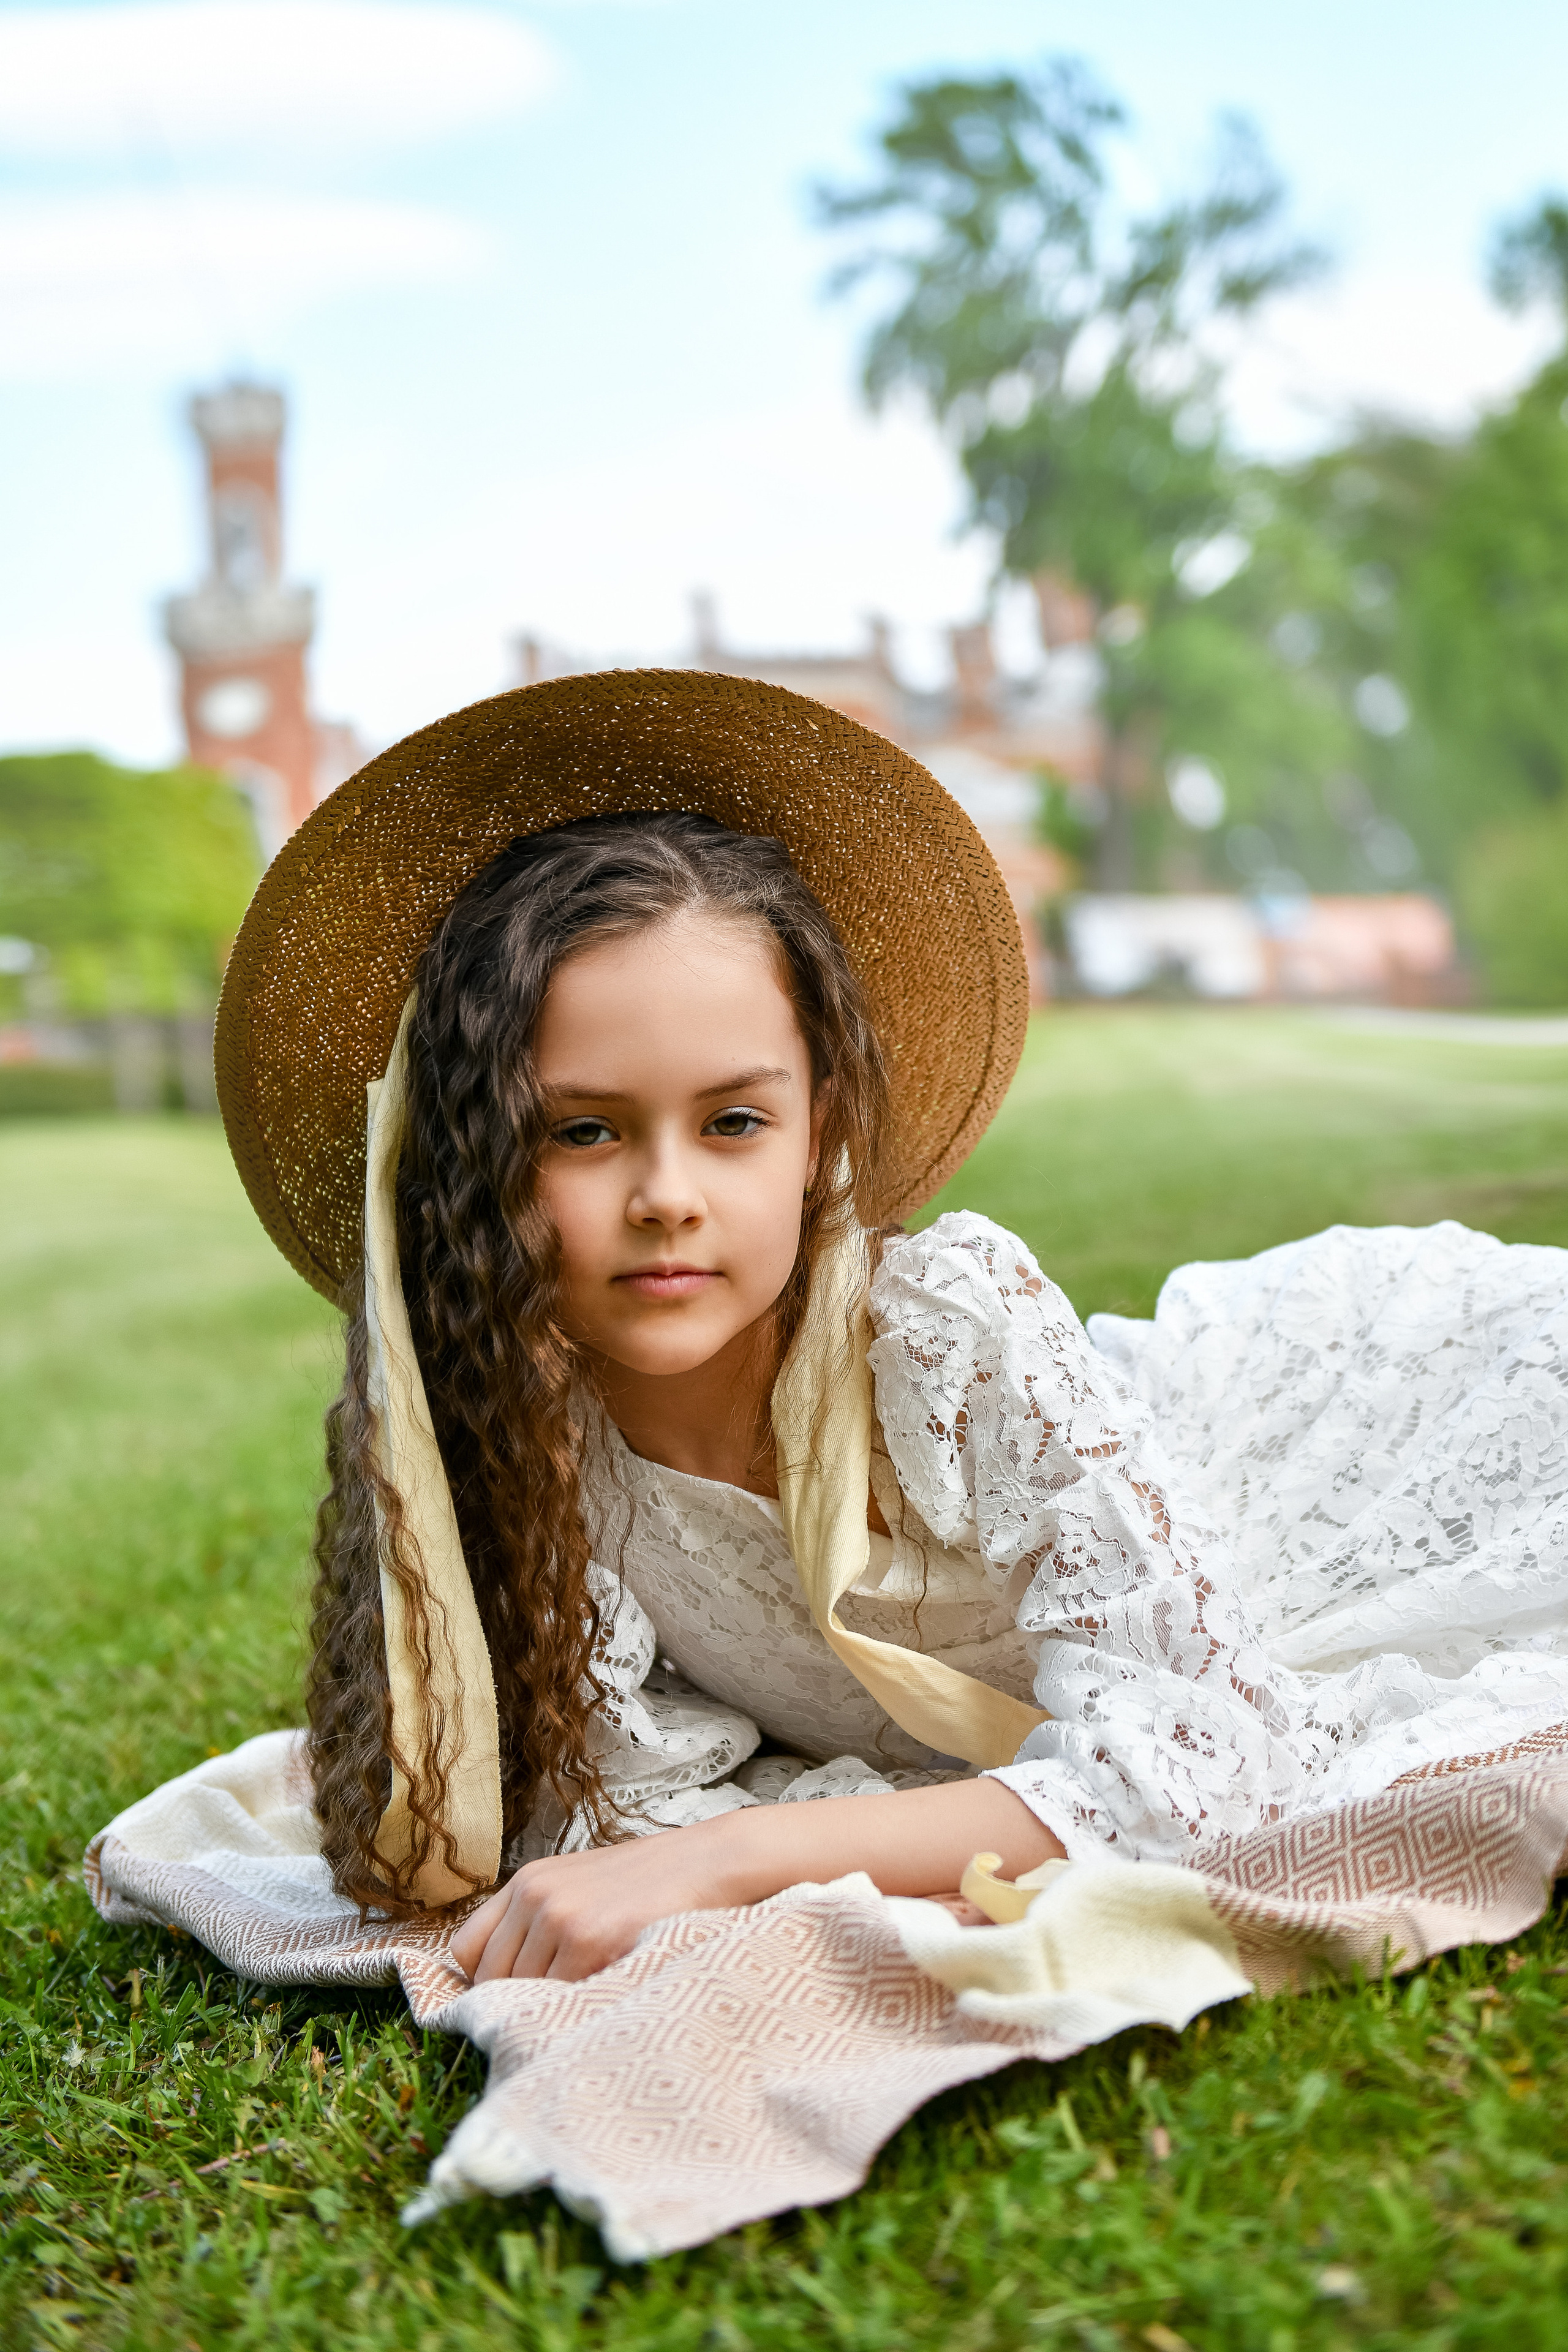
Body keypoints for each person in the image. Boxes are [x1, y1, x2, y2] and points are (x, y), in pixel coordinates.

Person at [214, 671, 1568, 1991]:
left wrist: (742, 1858)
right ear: (474, 1164)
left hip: (1338, 1432)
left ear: (820, 1134)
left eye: (733, 1121)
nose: (667, 1198)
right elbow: (628, 1809)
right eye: (582, 1131)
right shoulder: (538, 1450)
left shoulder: (945, 1334)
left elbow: (1191, 1766)